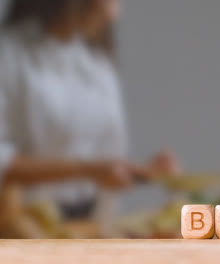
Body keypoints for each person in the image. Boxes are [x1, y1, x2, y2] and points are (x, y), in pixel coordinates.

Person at [0, 0, 180, 228]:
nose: (114, 14)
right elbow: (3, 162)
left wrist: (144, 172)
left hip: (90, 223)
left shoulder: (95, 63)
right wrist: (89, 171)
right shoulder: (9, 55)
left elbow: (104, 159)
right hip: (23, 225)